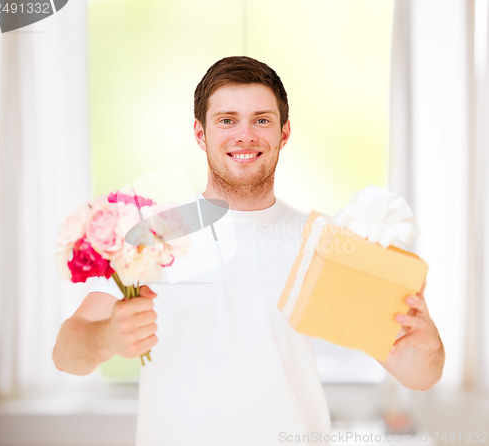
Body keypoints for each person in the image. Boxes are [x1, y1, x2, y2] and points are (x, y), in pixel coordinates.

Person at [53, 56, 445, 445]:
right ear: (200, 133)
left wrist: (428, 346)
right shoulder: (154, 233)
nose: (245, 135)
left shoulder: (326, 242)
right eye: (227, 120)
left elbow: (417, 373)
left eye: (261, 120)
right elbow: (66, 354)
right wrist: (107, 338)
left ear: (284, 132)